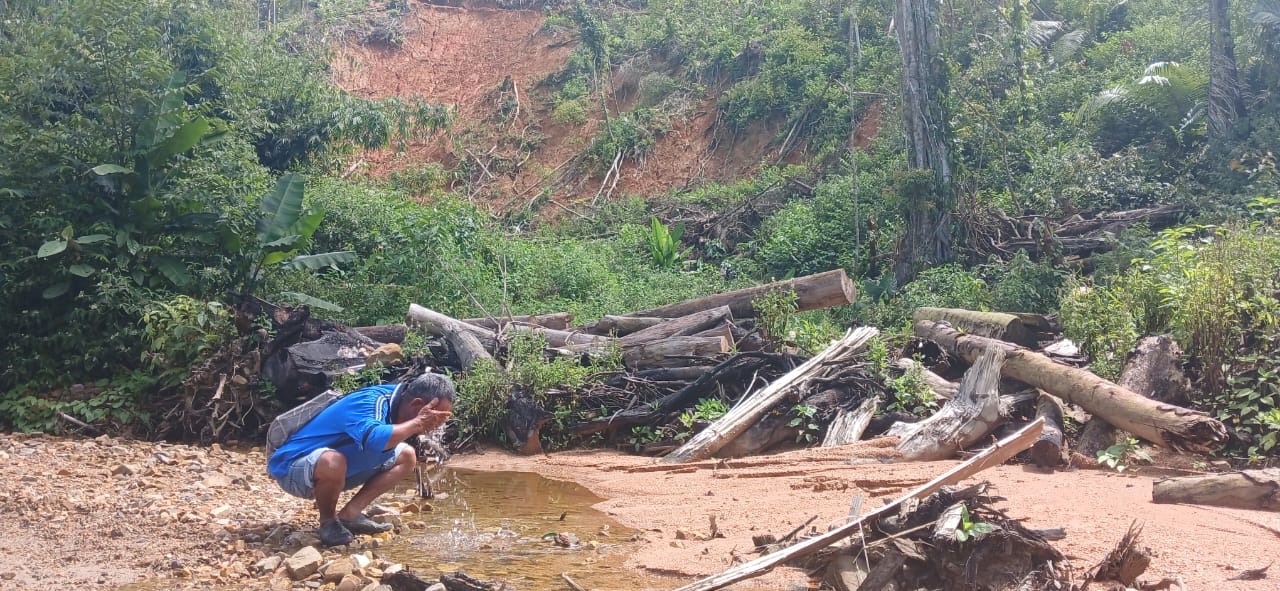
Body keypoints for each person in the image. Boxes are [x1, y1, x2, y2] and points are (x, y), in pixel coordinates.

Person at [268, 372, 454, 546]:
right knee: (333, 461)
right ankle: (328, 522)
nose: (436, 426)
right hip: (293, 469)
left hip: (336, 470)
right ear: (417, 404)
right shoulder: (369, 401)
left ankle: (350, 515)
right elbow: (374, 440)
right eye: (435, 418)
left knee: (407, 456)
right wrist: (417, 423)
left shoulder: (399, 403)